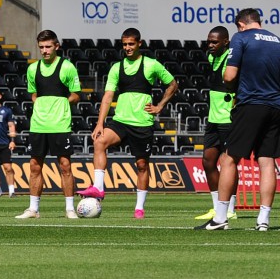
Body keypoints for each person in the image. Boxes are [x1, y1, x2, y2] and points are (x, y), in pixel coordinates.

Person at [80, 28, 177, 219]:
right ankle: (98, 188)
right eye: (124, 44)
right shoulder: (117, 67)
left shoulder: (151, 65)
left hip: (142, 123)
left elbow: (173, 84)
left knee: (142, 165)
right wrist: (100, 123)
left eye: (131, 44)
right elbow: (108, 97)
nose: (128, 48)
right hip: (120, 121)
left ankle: (139, 208)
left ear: (139, 43)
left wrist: (159, 107)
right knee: (99, 141)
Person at [198, 9, 280, 231]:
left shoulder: (241, 37)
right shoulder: (276, 39)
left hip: (250, 104)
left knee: (229, 159)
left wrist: (232, 89)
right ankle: (263, 220)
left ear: (241, 24)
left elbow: (230, 75)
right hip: (275, 106)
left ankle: (221, 217)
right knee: (267, 161)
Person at [15, 30, 81, 219]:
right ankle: (33, 209)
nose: (44, 51)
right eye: (41, 47)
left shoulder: (67, 67)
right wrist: (40, 104)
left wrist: (60, 104)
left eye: (48, 47)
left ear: (56, 46)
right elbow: (33, 93)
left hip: (60, 124)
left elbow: (76, 94)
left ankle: (69, 208)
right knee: (35, 166)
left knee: (65, 165)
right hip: (38, 125)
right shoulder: (32, 69)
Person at [195, 26, 237, 222]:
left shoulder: (233, 59)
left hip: (229, 120)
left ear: (226, 42)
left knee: (228, 164)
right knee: (208, 161)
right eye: (209, 41)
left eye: (214, 42)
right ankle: (216, 207)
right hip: (213, 119)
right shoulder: (212, 58)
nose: (210, 45)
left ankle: (230, 209)